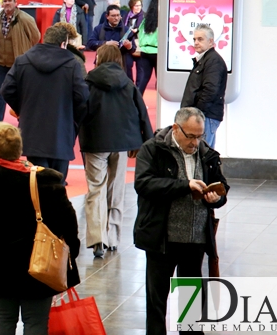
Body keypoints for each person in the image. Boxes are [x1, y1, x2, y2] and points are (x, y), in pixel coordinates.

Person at [0, 123, 80, 335]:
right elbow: (69, 225)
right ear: (19, 150)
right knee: (36, 323)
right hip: (39, 269)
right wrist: (69, 254)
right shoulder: (46, 182)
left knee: (3, 322)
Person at [134, 107, 228, 335]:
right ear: (176, 129)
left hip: (194, 240)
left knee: (192, 303)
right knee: (157, 304)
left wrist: (216, 198)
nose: (195, 142)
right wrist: (184, 186)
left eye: (200, 136)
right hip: (161, 238)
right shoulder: (153, 150)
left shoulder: (207, 154)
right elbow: (144, 183)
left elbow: (222, 188)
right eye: (191, 136)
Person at [79, 44, 153, 259]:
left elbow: (80, 111)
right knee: (116, 190)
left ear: (99, 58)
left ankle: (97, 239)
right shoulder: (128, 84)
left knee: (96, 189)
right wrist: (143, 143)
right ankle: (113, 238)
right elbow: (142, 113)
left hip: (95, 143)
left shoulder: (88, 83)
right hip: (122, 143)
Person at [1, 24, 88, 184]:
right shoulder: (72, 64)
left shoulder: (23, 60)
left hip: (32, 131)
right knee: (57, 187)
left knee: (37, 185)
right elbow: (82, 96)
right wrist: (71, 117)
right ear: (64, 43)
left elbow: (6, 89)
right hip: (61, 132)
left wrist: (22, 109)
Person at [0, 0, 41, 123]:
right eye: (5, 1)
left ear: (15, 2)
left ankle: (24, 121)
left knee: (21, 94)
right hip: (0, 63)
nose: (7, 3)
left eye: (10, 1)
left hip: (18, 64)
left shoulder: (25, 19)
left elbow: (36, 37)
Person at [180, 23, 228, 148]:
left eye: (200, 39)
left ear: (211, 41)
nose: (196, 42)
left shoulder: (213, 61)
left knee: (202, 156)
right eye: (194, 39)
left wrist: (197, 115)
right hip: (203, 116)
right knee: (200, 155)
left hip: (205, 117)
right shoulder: (205, 59)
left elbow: (210, 91)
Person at [87, 5, 137, 75]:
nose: (116, 18)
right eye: (113, 16)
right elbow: (90, 43)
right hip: (102, 64)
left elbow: (133, 49)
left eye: (118, 15)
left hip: (121, 65)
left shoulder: (126, 30)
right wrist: (105, 43)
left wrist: (129, 47)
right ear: (107, 16)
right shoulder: (98, 29)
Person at [136, 0, 159, 96]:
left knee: (145, 77)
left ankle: (138, 100)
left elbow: (140, 35)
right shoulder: (162, 20)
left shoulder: (145, 20)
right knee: (160, 79)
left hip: (145, 51)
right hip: (158, 51)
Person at [121, 0, 145, 80]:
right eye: (136, 6)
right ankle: (130, 85)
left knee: (140, 68)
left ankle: (139, 89)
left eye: (140, 5)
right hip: (128, 44)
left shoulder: (144, 16)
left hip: (139, 44)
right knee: (127, 65)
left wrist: (138, 30)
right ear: (131, 6)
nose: (138, 7)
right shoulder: (125, 16)